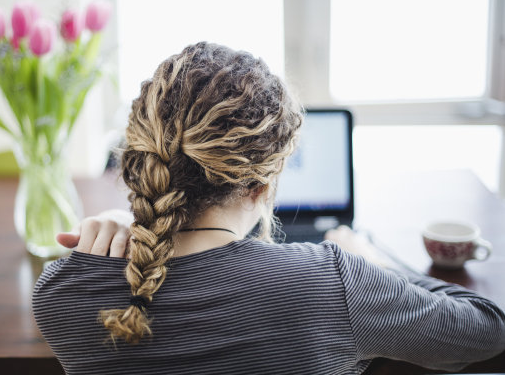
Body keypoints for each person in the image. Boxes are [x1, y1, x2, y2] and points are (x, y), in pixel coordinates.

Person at [33, 42, 505, 375]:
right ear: (263, 183)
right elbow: (485, 331)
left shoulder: (59, 293)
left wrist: (133, 225)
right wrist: (370, 263)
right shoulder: (330, 281)